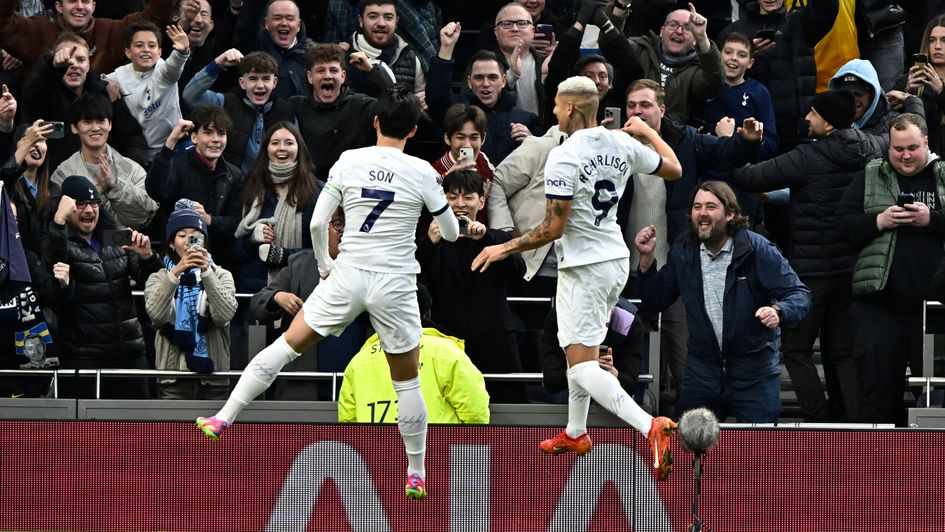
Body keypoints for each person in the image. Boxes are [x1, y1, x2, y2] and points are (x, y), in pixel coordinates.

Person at [196, 87, 460, 501]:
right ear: (412, 130)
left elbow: (318, 226)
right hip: (394, 281)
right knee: (407, 384)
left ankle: (224, 416)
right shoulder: (424, 171)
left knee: (286, 347)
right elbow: (451, 232)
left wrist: (324, 267)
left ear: (375, 123)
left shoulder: (350, 161)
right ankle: (415, 470)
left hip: (348, 273)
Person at [471, 76, 682, 480]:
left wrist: (504, 247)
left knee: (581, 365)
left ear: (569, 108)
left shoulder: (563, 157)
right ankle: (576, 431)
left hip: (583, 267)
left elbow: (552, 228)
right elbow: (674, 168)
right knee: (581, 355)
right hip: (614, 260)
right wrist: (647, 132)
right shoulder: (622, 143)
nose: (552, 111)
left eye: (555, 105)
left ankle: (649, 425)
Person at [730, 89, 887, 422]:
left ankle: (819, 420)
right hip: (851, 271)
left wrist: (736, 143)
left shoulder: (806, 157)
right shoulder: (870, 146)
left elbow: (747, 177)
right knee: (842, 352)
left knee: (796, 351)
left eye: (813, 114)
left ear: (828, 124)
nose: (806, 119)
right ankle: (856, 425)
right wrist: (912, 102)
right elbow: (897, 130)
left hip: (812, 275)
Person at [635, 180, 811, 422]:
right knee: (692, 451)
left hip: (753, 373)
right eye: (697, 207)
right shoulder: (683, 252)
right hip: (702, 373)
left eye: (711, 206)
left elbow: (800, 295)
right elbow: (655, 301)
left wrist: (779, 311)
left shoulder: (757, 249)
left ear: (730, 214)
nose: (703, 213)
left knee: (759, 453)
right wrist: (646, 260)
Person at [838, 113, 945, 425]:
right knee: (876, 395)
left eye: (912, 147)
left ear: (927, 142)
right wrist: (878, 221)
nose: (906, 155)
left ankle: (934, 470)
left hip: (936, 310)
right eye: (897, 149)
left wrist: (933, 220)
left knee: (937, 399)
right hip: (878, 308)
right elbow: (841, 228)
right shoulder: (870, 175)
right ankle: (878, 469)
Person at [41, 175, 162, 399]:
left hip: (130, 353)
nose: (89, 210)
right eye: (80, 205)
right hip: (84, 358)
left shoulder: (114, 236)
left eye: (94, 203)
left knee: (137, 430)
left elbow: (152, 283)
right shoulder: (57, 240)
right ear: (68, 208)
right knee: (88, 432)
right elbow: (53, 261)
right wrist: (58, 220)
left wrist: (148, 257)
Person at [417, 169, 526, 402]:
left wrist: (488, 238)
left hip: (494, 344)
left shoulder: (498, 239)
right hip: (446, 344)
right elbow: (413, 282)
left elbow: (520, 273)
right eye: (452, 197)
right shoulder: (430, 242)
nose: (460, 204)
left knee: (506, 413)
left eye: (468, 197)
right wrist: (429, 244)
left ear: (481, 201)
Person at [249, 208, 370, 400]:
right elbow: (257, 303)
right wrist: (278, 296)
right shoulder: (300, 264)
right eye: (338, 224)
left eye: (351, 225)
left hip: (356, 386)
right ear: (323, 229)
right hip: (302, 386)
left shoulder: (371, 268)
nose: (344, 231)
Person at [338, 285, 490, 424]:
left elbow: (347, 421)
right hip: (434, 452)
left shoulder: (359, 361)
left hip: (376, 452)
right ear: (427, 314)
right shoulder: (445, 352)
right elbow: (475, 413)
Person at [144, 199, 237, 400]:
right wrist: (176, 273)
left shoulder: (221, 275)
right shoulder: (159, 277)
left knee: (211, 432)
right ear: (171, 242)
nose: (188, 241)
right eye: (181, 235)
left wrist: (206, 273)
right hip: (173, 377)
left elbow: (224, 315)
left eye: (195, 236)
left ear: (204, 241)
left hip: (214, 377)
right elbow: (157, 316)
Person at [21, 32, 151, 171]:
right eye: (67, 60)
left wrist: (127, 173)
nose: (74, 65)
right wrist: (53, 69)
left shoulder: (105, 95)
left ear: (88, 65)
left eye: (80, 59)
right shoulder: (43, 91)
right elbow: (34, 96)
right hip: (54, 182)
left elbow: (132, 137)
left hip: (103, 180)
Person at [718, 0, 839, 146]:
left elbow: (826, 8)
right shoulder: (734, 32)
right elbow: (717, 76)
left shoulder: (801, 23)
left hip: (797, 131)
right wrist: (746, 55)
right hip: (752, 134)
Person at [427, 23, 543, 165]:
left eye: (492, 77)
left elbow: (541, 162)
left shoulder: (527, 120)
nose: (486, 84)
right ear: (469, 82)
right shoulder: (456, 112)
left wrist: (532, 141)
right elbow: (436, 97)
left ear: (504, 81)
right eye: (479, 77)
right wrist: (446, 48)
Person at [51, 92, 158, 230]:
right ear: (74, 128)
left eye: (101, 121)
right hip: (80, 247)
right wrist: (98, 193)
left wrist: (116, 187)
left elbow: (145, 216)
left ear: (110, 125)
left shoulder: (132, 169)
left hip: (125, 246)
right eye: (87, 122)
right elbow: (60, 219)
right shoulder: (63, 173)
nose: (95, 128)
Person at [604, 2, 723, 125]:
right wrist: (620, 6)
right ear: (661, 31)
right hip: (630, 130)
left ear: (694, 40)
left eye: (687, 28)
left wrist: (702, 38)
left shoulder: (697, 67)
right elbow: (611, 45)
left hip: (672, 138)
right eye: (673, 25)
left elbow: (713, 83)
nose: (679, 31)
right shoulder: (640, 49)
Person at [183, 50, 297, 173]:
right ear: (242, 83)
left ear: (274, 82)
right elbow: (191, 96)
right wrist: (217, 64)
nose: (260, 85)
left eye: (265, 79)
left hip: (272, 184)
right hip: (233, 185)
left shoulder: (287, 110)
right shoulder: (226, 102)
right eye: (253, 79)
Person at [145, 108, 244, 250]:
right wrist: (171, 141)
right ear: (194, 138)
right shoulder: (177, 165)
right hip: (177, 253)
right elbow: (155, 191)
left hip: (219, 257)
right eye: (208, 132)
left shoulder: (234, 175)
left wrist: (209, 219)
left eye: (221, 133)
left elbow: (235, 224)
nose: (216, 139)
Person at [0, 0, 176, 73]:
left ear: (93, 6)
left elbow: (156, 15)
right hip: (45, 131)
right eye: (71, 1)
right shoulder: (38, 29)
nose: (79, 6)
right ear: (59, 6)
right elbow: (3, 23)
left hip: (97, 128)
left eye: (85, 1)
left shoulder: (111, 30)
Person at [0, 195, 63, 398]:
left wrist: (63, 284)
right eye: (7, 219)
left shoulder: (27, 259)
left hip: (25, 373)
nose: (12, 226)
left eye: (15, 220)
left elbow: (53, 296)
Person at [289, 43, 379, 181]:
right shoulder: (295, 106)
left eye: (333, 70)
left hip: (350, 190)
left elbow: (400, 108)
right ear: (309, 77)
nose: (327, 76)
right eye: (320, 71)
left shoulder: (361, 105)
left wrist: (372, 71)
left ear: (343, 76)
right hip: (307, 190)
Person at [106, 22, 190, 160]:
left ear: (159, 52)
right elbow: (95, 84)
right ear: (128, 52)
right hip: (136, 151)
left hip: (174, 146)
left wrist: (181, 53)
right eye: (139, 45)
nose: (146, 50)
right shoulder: (118, 76)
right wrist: (104, 83)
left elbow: (174, 65)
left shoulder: (164, 71)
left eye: (152, 46)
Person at [541, 298, 645, 401]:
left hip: (611, 388)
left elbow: (630, 386)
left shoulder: (629, 322)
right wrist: (577, 368)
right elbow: (551, 382)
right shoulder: (560, 317)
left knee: (620, 398)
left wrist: (611, 372)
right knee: (564, 396)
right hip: (569, 386)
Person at [343, 0, 425, 99]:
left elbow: (421, 108)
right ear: (361, 21)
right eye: (373, 16)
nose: (381, 23)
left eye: (388, 18)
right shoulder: (344, 57)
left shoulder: (411, 59)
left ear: (396, 22)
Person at [233, 0, 310, 100]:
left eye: (290, 18)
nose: (284, 23)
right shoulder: (255, 48)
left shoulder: (312, 56)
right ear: (266, 23)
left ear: (298, 25)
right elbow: (248, 23)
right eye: (277, 18)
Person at [829, 59, 924, 139]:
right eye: (846, 94)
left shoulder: (892, 126)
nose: (852, 100)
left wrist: (913, 102)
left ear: (873, 95)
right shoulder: (827, 122)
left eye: (858, 94)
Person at [0, 120, 58, 252]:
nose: (35, 144)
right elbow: (4, 179)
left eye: (41, 140)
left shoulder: (54, 190)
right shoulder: (8, 186)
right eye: (28, 139)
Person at [904, 15, 945, 157]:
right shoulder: (909, 79)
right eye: (932, 40)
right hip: (917, 158)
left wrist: (941, 91)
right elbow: (891, 121)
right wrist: (908, 93)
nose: (938, 46)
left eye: (944, 40)